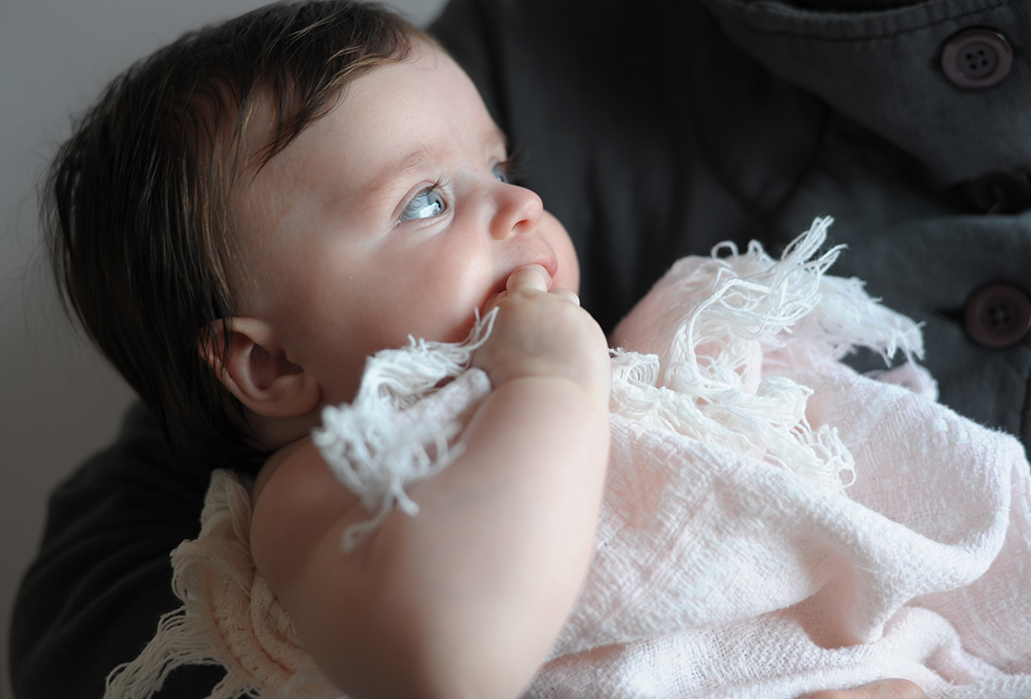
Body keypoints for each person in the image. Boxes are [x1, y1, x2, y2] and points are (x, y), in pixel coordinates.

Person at [11, 0, 1030, 696]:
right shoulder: (319, 492)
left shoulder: (614, 373)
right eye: (425, 200)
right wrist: (546, 378)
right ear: (271, 367)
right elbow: (449, 658)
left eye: (499, 167)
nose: (522, 205)